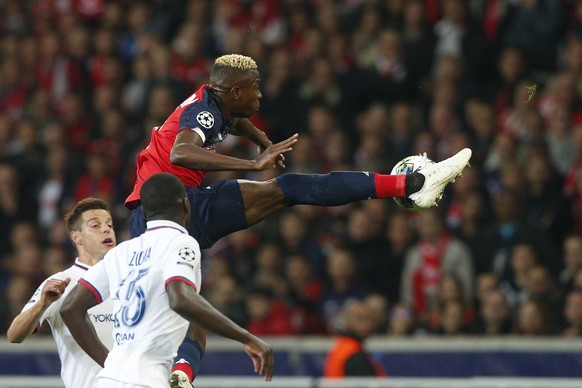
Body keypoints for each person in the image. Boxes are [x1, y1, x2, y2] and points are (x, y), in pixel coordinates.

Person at [125, 53, 471, 386]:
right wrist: (252, 164)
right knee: (290, 188)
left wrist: (261, 138)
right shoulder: (203, 113)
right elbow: (180, 151)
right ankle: (412, 184)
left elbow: (232, 120)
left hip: (148, 222)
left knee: (191, 309)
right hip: (178, 205)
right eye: (255, 87)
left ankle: (182, 375)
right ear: (235, 92)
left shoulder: (214, 101)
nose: (260, 94)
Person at [60, 172, 274, 387]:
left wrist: (109, 364)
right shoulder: (181, 242)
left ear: (144, 212)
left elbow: (70, 308)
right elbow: (181, 299)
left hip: (108, 379)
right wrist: (246, 337)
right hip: (147, 379)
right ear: (186, 205)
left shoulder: (120, 252)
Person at [6, 197, 116, 388]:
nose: (106, 229)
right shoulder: (62, 282)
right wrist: (42, 304)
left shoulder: (129, 278)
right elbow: (14, 335)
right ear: (77, 237)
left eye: (109, 224)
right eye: (95, 225)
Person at [323, 301, 388, 377]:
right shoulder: (352, 353)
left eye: (370, 318)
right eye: (360, 319)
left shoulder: (343, 346)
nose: (367, 323)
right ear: (348, 322)